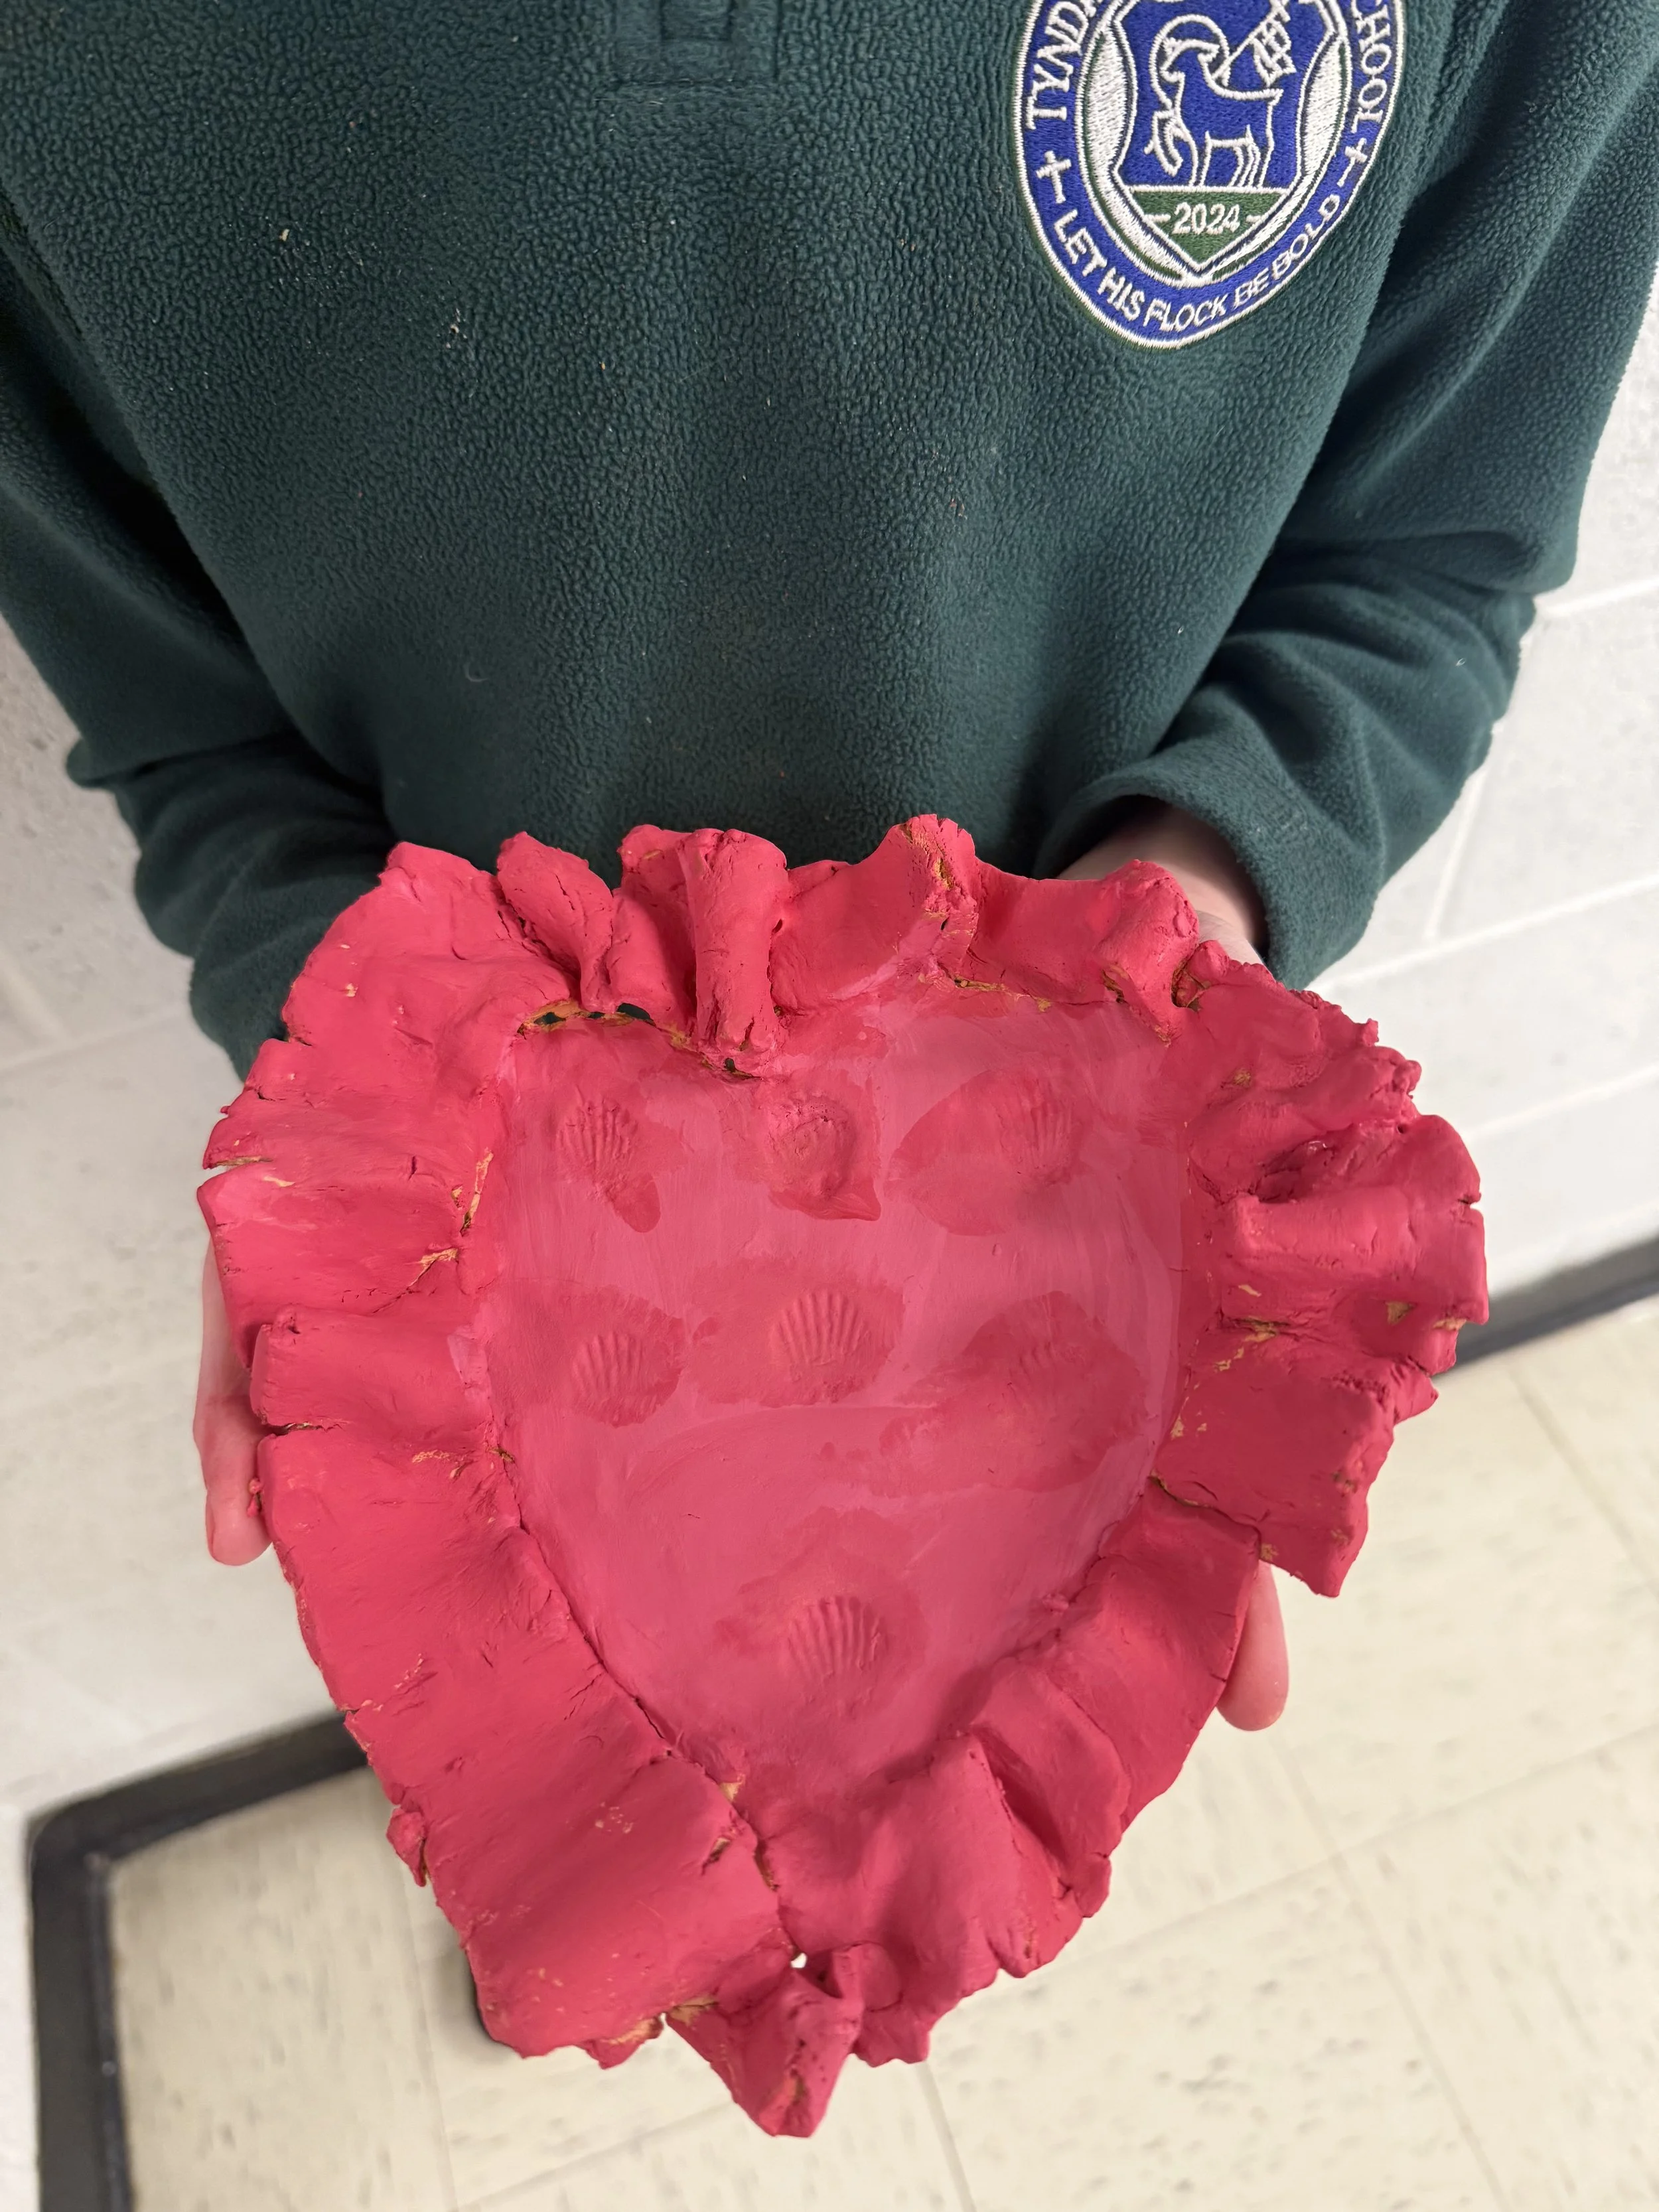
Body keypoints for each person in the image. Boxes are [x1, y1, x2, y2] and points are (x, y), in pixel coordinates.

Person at [5, 3, 1658, 1737]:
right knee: (587, 1755)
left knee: (940, 1730)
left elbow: (1422, 544)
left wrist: (1182, 933)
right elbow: (187, 724)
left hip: (1061, 1247)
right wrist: (354, 1081)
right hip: (508, 1295)